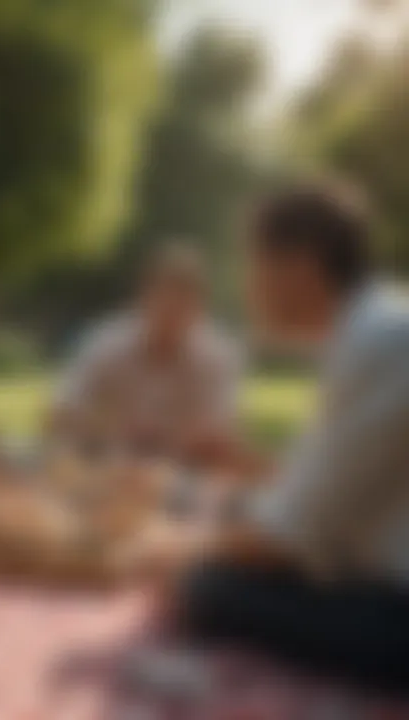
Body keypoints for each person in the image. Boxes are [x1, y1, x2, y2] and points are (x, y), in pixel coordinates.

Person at [142, 183, 409, 695]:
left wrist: (180, 548)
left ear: (300, 265)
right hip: (376, 577)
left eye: (253, 265)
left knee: (206, 589)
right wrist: (246, 471)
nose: (247, 286)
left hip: (397, 611)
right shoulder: (373, 331)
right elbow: (330, 490)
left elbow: (291, 537)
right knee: (219, 569)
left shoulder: (380, 346)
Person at [52, 243, 242, 461]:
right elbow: (60, 415)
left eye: (182, 305)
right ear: (143, 298)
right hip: (110, 465)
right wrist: (112, 430)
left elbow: (223, 436)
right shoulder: (107, 342)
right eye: (164, 301)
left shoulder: (218, 354)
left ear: (199, 306)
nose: (170, 318)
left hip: (187, 473)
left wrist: (164, 438)